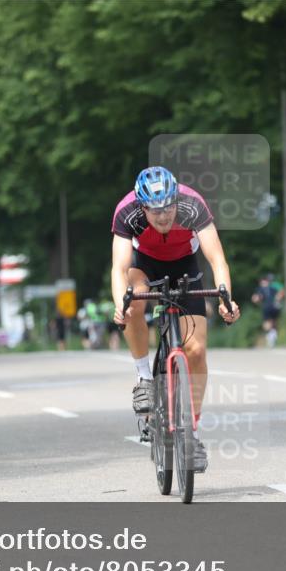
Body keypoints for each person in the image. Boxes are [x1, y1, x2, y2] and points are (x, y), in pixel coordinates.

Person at [110, 166, 240, 472]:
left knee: (196, 351)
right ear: (142, 206)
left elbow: (217, 259)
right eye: (155, 211)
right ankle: (144, 377)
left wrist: (226, 299)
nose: (164, 216)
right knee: (134, 302)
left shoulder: (193, 205)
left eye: (168, 207)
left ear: (176, 199)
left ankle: (191, 434)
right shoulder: (127, 212)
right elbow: (119, 267)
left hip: (186, 269)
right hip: (144, 268)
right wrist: (121, 304)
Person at [251, 273, 285, 347]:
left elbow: (257, 297)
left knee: (266, 323)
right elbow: (281, 293)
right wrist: (278, 299)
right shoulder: (273, 288)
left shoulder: (260, 289)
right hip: (275, 307)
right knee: (274, 321)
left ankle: (271, 334)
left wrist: (255, 299)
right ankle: (273, 333)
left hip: (266, 307)